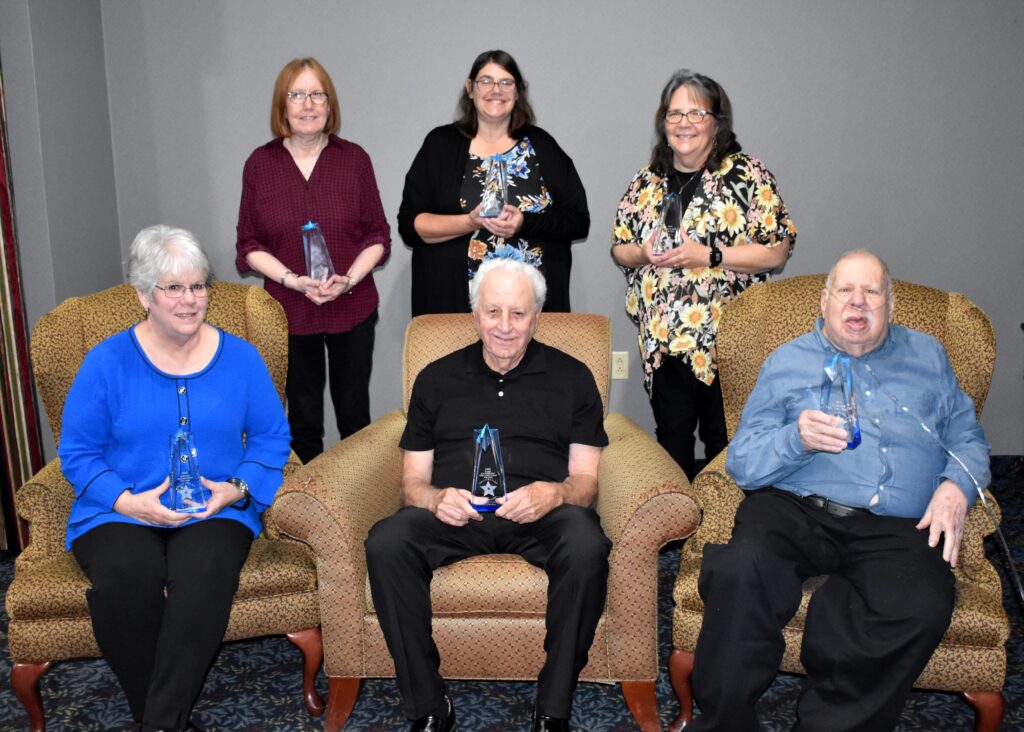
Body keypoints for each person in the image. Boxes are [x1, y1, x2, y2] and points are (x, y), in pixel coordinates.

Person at [689, 250, 990, 731]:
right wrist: (795, 439)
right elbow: (742, 463)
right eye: (846, 290)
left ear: (891, 305)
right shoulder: (786, 361)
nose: (858, 302)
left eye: (871, 291)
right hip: (795, 509)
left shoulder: (928, 355)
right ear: (825, 301)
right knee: (740, 570)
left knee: (922, 604)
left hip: (898, 524)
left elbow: (967, 437)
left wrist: (957, 487)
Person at [61, 225, 292, 732]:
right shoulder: (105, 362)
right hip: (119, 510)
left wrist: (237, 489)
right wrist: (126, 501)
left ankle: (159, 723)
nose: (190, 300)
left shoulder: (242, 359)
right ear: (143, 296)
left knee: (205, 573)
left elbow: (272, 438)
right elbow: (77, 452)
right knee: (124, 578)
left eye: (198, 286)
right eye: (173, 288)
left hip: (214, 508)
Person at [364, 258, 611, 732]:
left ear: (537, 317)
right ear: (475, 314)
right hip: (456, 514)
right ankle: (429, 705)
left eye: (518, 313)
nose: (504, 326)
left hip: (541, 515)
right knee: (387, 542)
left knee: (587, 544)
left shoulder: (574, 377)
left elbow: (586, 483)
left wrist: (556, 493)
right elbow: (411, 482)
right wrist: (434, 499)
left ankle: (553, 707)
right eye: (493, 312)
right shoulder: (435, 378)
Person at [611, 69, 796, 481]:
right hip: (664, 339)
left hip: (728, 335)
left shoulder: (747, 174)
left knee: (724, 439)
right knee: (671, 439)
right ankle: (676, 519)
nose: (684, 123)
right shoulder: (647, 180)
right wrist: (643, 252)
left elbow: (776, 250)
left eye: (696, 113)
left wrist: (708, 255)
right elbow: (619, 246)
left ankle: (721, 518)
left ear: (717, 122)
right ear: (663, 122)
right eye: (674, 114)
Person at [235, 57, 391, 464]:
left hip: (352, 306)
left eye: (317, 94)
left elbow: (378, 235)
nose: (308, 104)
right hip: (290, 309)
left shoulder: (354, 160)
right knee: (302, 423)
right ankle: (306, 503)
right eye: (297, 95)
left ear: (329, 103)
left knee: (355, 416)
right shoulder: (260, 165)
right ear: (282, 105)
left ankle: (358, 498)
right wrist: (292, 280)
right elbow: (249, 244)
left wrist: (349, 279)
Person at [398, 49, 590, 316]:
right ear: (470, 88)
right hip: (452, 306)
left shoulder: (542, 147)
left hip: (530, 312)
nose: (495, 90)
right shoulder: (440, 145)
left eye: (505, 82)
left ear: (518, 91)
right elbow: (410, 225)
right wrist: (470, 222)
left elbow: (578, 221)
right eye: (485, 81)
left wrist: (524, 223)